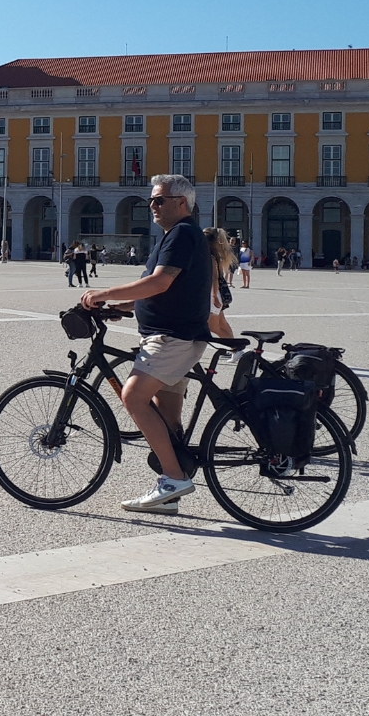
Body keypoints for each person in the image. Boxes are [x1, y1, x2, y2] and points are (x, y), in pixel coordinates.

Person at [79, 174, 213, 515]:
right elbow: (155, 290)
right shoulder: (173, 237)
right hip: (172, 337)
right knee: (166, 419)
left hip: (171, 340)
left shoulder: (183, 233)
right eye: (151, 200)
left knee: (133, 396)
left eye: (159, 200)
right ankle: (172, 489)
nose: (152, 206)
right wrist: (118, 307)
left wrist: (104, 292)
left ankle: (173, 478)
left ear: (181, 203)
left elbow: (159, 283)